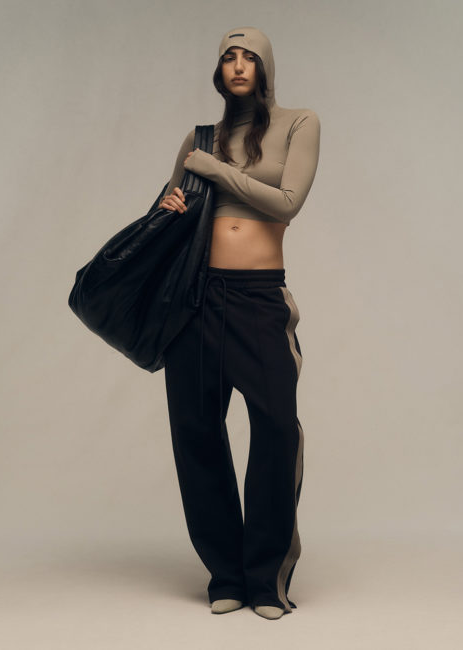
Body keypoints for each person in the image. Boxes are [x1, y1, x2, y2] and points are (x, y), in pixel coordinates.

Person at [158, 26, 320, 620]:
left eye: (250, 55)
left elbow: (287, 202)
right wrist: (169, 204)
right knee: (196, 434)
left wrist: (213, 170)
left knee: (276, 430)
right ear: (219, 70)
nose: (239, 64)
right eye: (229, 56)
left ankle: (266, 579)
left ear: (266, 66)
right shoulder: (200, 138)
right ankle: (225, 573)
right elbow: (170, 216)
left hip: (258, 298)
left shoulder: (299, 124)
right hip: (196, 299)